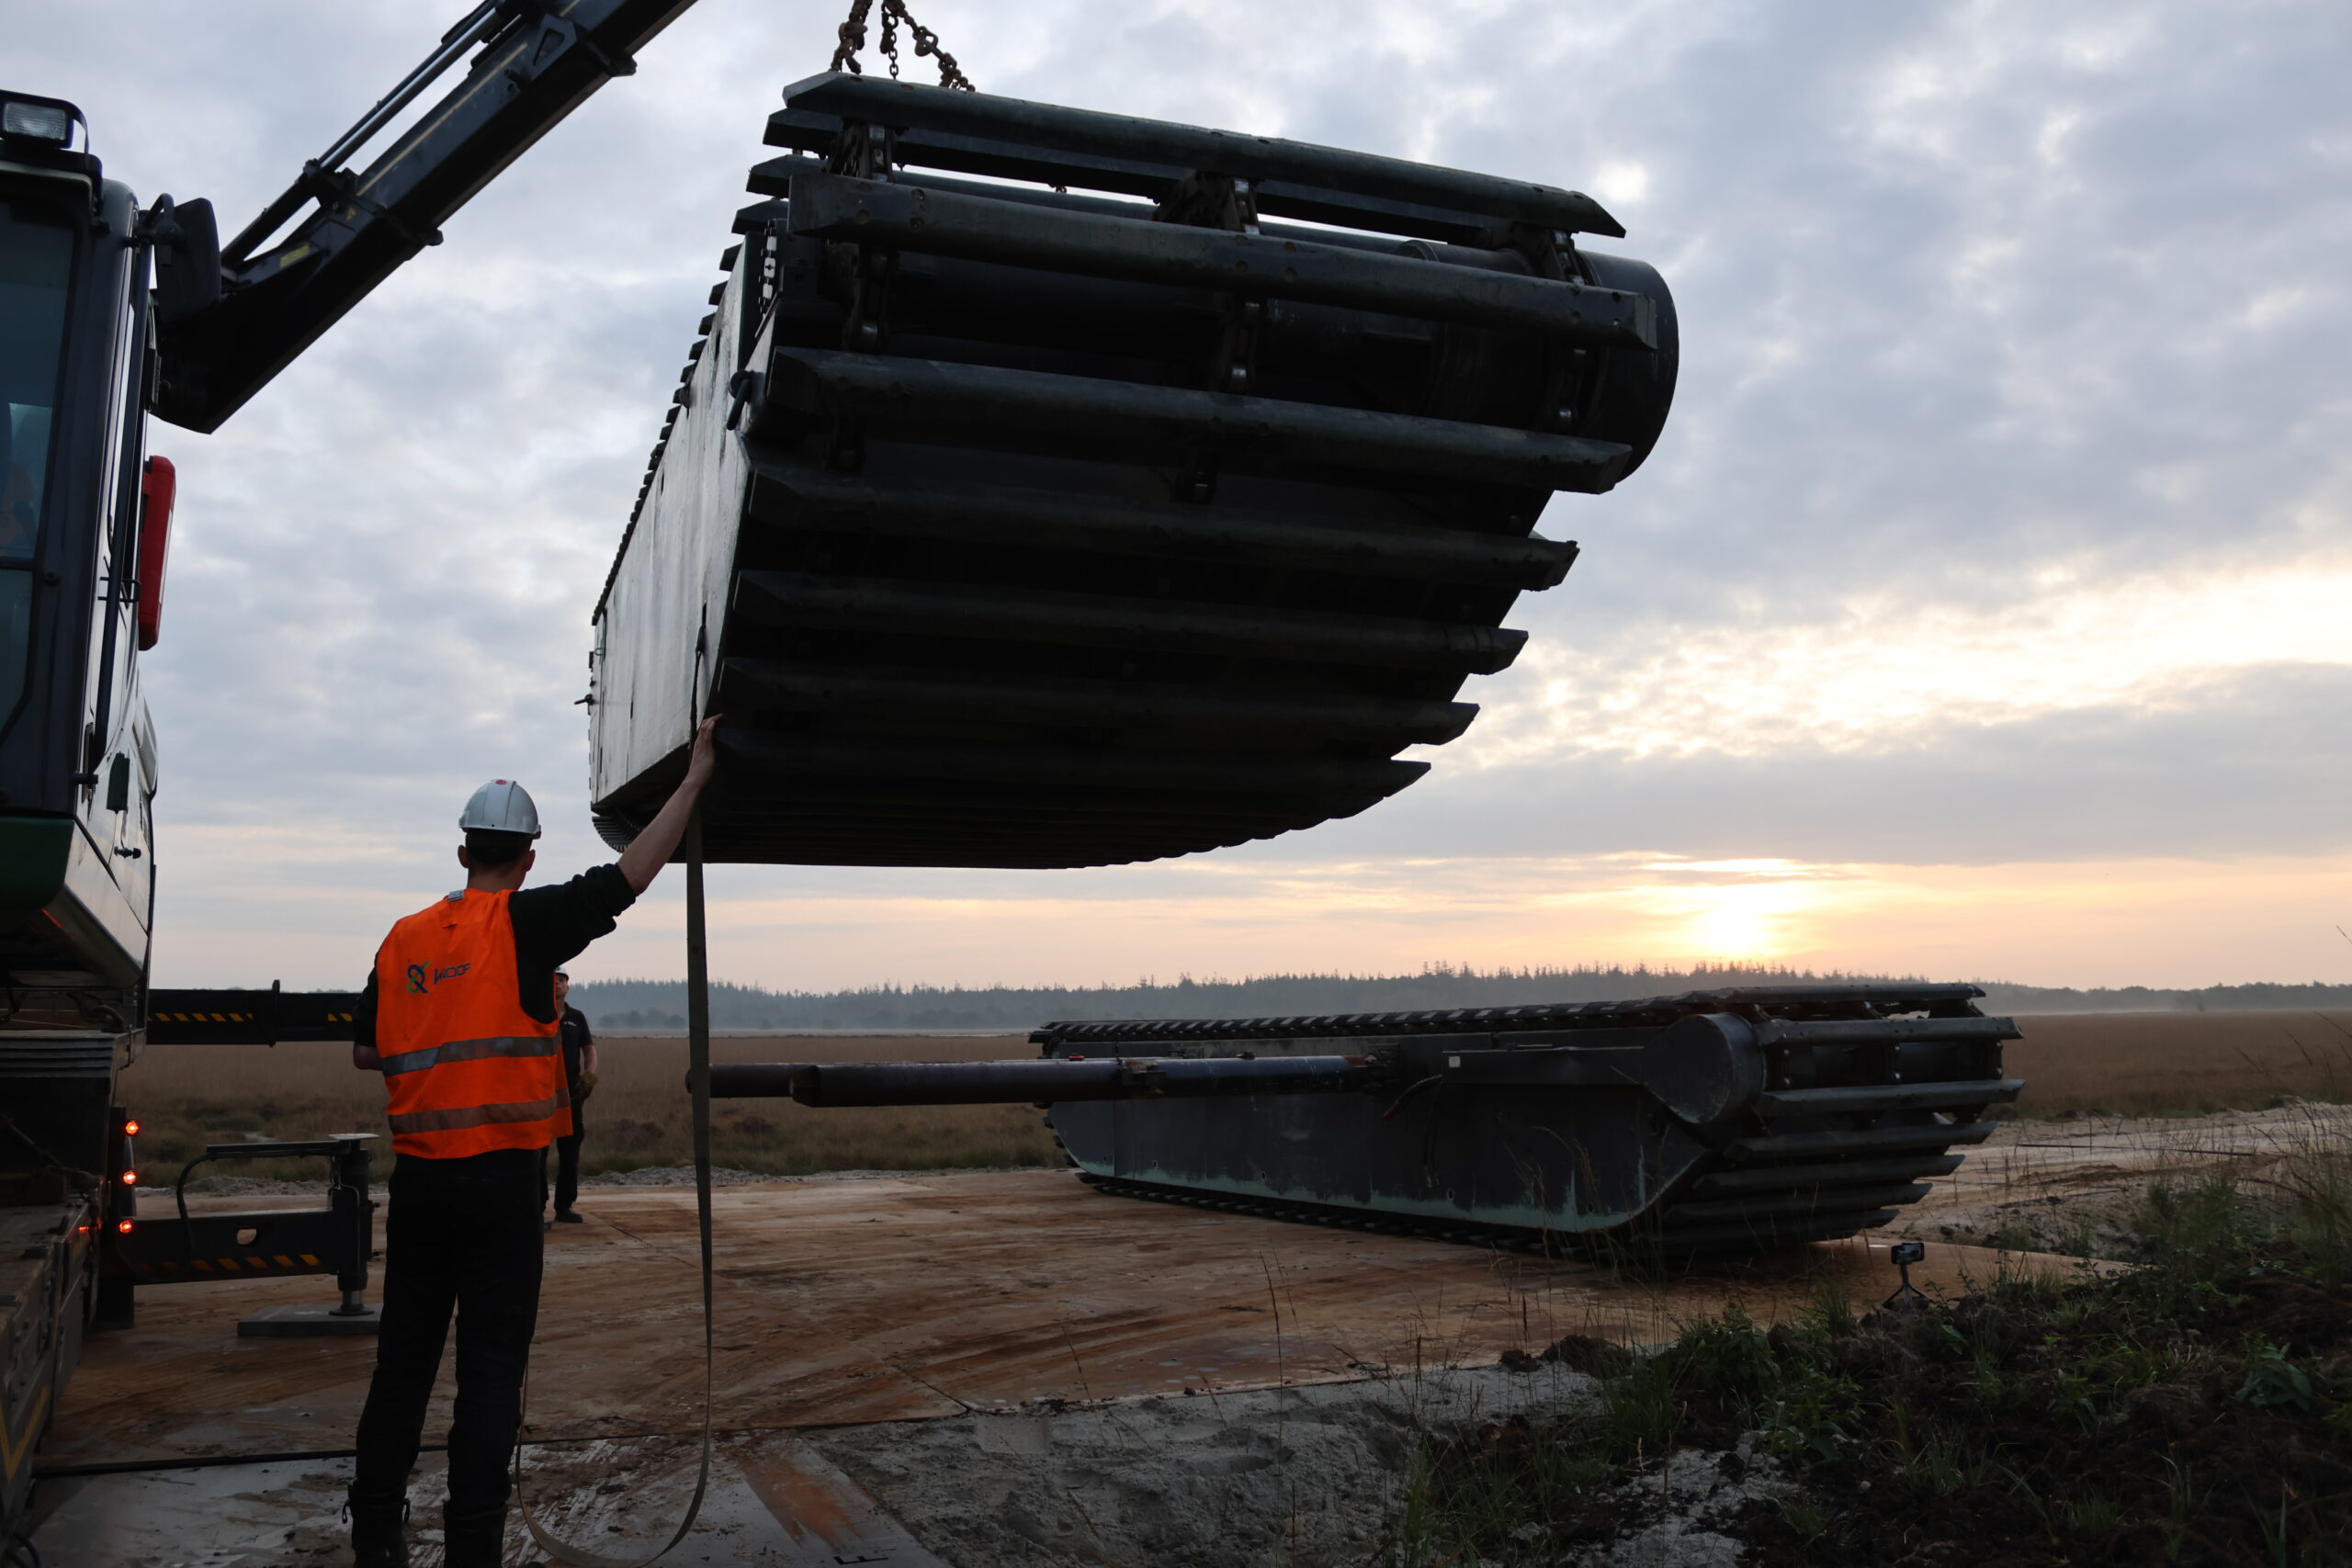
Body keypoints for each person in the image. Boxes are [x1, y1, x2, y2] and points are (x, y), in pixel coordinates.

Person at [344, 716, 718, 1568]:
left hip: (421, 1186)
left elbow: (369, 1047)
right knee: (488, 1371)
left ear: (464, 849)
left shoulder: (403, 937)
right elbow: (629, 876)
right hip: (504, 1188)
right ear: (528, 856)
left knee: (402, 1362)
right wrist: (691, 783)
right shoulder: (527, 925)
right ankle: (472, 1541)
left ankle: (373, 1528)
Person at [548, 970, 595, 1225]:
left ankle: (564, 1206)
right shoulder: (536, 1014)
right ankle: (535, 1207)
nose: (557, 983)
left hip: (571, 1095)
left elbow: (589, 1049)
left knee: (570, 1151)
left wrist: (590, 1077)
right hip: (540, 1096)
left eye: (561, 980)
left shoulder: (577, 1018)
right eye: (553, 979)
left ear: (568, 987)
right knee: (537, 1153)